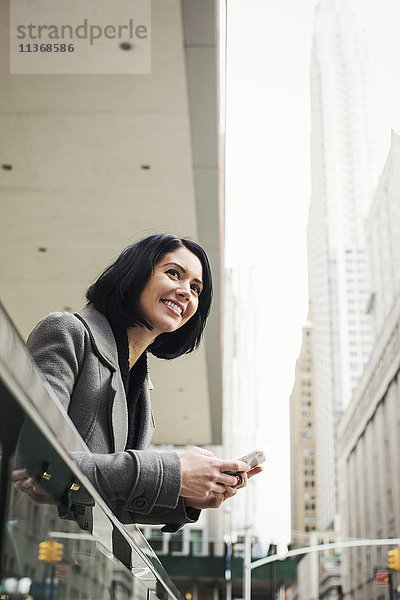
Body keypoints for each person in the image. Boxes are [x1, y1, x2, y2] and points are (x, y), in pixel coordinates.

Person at [18, 234, 262, 533]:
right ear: (135, 273)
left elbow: (105, 498)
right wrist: (173, 470)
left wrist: (186, 498)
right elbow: (34, 466)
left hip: (76, 558)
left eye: (196, 288)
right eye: (174, 273)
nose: (186, 292)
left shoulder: (139, 386)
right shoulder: (67, 331)